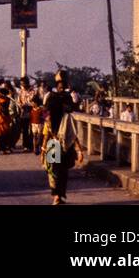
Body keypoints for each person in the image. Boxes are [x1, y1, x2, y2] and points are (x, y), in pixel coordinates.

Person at [41, 70, 83, 204]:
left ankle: (56, 196)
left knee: (54, 170)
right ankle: (59, 195)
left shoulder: (51, 98)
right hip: (64, 142)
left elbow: (46, 120)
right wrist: (79, 150)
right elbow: (72, 130)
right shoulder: (66, 102)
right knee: (62, 170)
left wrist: (43, 148)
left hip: (53, 141)